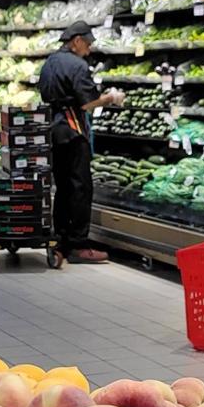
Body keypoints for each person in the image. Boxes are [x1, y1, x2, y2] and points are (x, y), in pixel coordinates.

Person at [37, 21, 121, 264]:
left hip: (52, 129)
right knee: (81, 187)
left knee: (62, 188)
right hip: (73, 130)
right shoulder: (77, 65)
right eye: (88, 43)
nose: (90, 49)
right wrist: (110, 98)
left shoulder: (50, 61)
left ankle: (60, 241)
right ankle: (79, 244)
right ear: (77, 41)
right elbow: (87, 103)